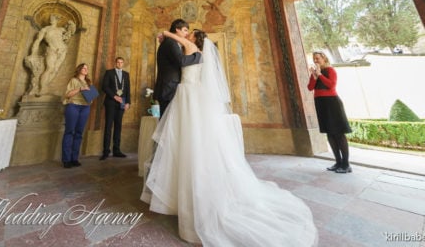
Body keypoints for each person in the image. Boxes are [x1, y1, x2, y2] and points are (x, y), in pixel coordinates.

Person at [141, 29, 318, 246]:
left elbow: (178, 40)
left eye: (191, 33)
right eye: (187, 32)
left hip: (188, 96)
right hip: (191, 96)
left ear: (196, 39)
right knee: (188, 142)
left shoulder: (190, 47)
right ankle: (185, 195)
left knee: (188, 143)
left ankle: (194, 200)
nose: (187, 35)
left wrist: (164, 33)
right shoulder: (200, 52)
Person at [308, 51, 352, 174]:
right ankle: (338, 162)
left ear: (324, 59)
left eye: (317, 58)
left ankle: (346, 164)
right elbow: (310, 87)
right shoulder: (315, 73)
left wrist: (320, 75)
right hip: (320, 103)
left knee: (338, 133)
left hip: (332, 103)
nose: (316, 60)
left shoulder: (330, 70)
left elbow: (331, 85)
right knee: (329, 133)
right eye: (314, 58)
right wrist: (314, 76)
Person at [154, 19, 201, 118]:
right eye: (185, 30)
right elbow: (182, 61)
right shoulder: (171, 43)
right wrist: (198, 56)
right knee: (166, 123)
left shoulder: (173, 42)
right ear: (177, 30)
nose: (187, 33)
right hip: (168, 88)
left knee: (170, 123)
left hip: (171, 87)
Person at [25, 14, 76, 96]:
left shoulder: (61, 29)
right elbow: (37, 41)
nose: (51, 20)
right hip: (52, 50)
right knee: (49, 68)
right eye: (51, 18)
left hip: (62, 50)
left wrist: (72, 25)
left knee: (55, 69)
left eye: (54, 18)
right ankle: (41, 88)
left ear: (57, 20)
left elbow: (71, 32)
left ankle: (44, 87)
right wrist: (33, 53)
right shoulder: (45, 29)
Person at [61, 63, 94, 168]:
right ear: (79, 69)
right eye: (83, 68)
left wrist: (91, 96)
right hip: (73, 106)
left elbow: (91, 99)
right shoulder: (73, 80)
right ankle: (66, 160)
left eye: (87, 68)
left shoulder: (88, 83)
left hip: (85, 108)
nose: (85, 69)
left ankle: (74, 158)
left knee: (79, 133)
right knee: (69, 132)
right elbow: (67, 95)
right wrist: (80, 89)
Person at [100, 57, 131, 160]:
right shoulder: (109, 73)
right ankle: (106, 151)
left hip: (122, 104)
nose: (119, 64)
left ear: (123, 64)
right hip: (111, 102)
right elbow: (104, 87)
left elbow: (127, 89)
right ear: (115, 63)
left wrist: (127, 102)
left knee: (118, 126)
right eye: (118, 62)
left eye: (121, 62)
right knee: (108, 126)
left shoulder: (126, 75)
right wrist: (114, 96)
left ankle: (116, 150)